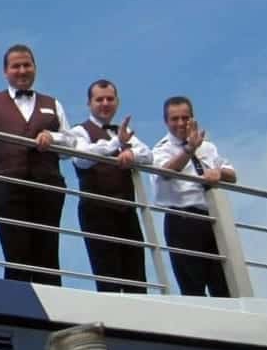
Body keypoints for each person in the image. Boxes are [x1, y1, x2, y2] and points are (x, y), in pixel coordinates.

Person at [0, 44, 74, 285]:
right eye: (16, 66)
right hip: (7, 187)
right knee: (16, 255)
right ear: (5, 72)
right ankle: (19, 314)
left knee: (48, 256)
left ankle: (52, 318)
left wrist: (54, 138)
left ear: (34, 68)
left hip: (48, 187)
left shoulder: (53, 104)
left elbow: (71, 142)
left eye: (26, 65)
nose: (22, 70)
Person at [69, 79, 152, 293]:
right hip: (97, 212)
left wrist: (132, 153)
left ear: (117, 102)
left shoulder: (123, 131)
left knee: (137, 278)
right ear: (89, 103)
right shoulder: (79, 131)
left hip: (126, 210)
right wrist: (116, 144)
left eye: (110, 99)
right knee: (108, 278)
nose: (105, 103)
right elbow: (81, 158)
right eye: (99, 99)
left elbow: (148, 155)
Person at [151, 96, 238, 297]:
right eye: (175, 119)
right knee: (192, 287)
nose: (181, 123)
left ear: (192, 118)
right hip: (182, 221)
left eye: (185, 118)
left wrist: (219, 173)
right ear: (166, 122)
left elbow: (232, 174)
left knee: (224, 285)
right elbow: (166, 171)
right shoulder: (161, 149)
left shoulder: (207, 147)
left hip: (212, 220)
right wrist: (189, 149)